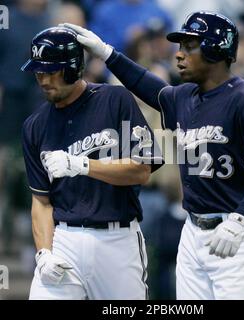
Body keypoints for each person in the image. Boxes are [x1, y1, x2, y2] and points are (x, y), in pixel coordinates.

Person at [63, 11, 244, 300]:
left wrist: (241, 218)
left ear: (216, 48)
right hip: (194, 231)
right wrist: (108, 53)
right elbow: (149, 87)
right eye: (180, 46)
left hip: (242, 233)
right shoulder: (184, 97)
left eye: (189, 46)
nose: (179, 54)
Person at [21, 26, 163, 300]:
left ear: (74, 68)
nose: (43, 80)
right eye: (38, 72)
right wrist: (44, 253)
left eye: (51, 71)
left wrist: (82, 166)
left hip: (117, 240)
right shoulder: (34, 125)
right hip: (64, 241)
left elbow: (142, 170)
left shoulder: (115, 99)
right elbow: (41, 202)